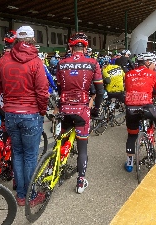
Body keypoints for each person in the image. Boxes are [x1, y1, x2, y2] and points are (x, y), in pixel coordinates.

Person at [0, 25, 49, 206]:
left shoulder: (4, 59)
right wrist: (42, 110)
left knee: (18, 153)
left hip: (11, 114)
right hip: (31, 114)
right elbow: (43, 92)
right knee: (30, 155)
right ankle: (30, 197)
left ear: (16, 40)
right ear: (32, 40)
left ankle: (21, 195)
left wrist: (7, 92)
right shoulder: (36, 62)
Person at [56, 32, 104, 193]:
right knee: (82, 148)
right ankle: (80, 182)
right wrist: (96, 109)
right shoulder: (93, 63)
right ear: (85, 47)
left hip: (64, 108)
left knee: (62, 141)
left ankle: (55, 169)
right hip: (82, 109)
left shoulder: (61, 63)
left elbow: (59, 87)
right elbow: (100, 90)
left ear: (70, 47)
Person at [124, 52, 156, 172]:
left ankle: (129, 164)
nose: (155, 66)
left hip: (130, 109)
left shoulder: (128, 74)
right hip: (147, 107)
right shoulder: (154, 74)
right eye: (153, 63)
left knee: (132, 135)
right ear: (147, 62)